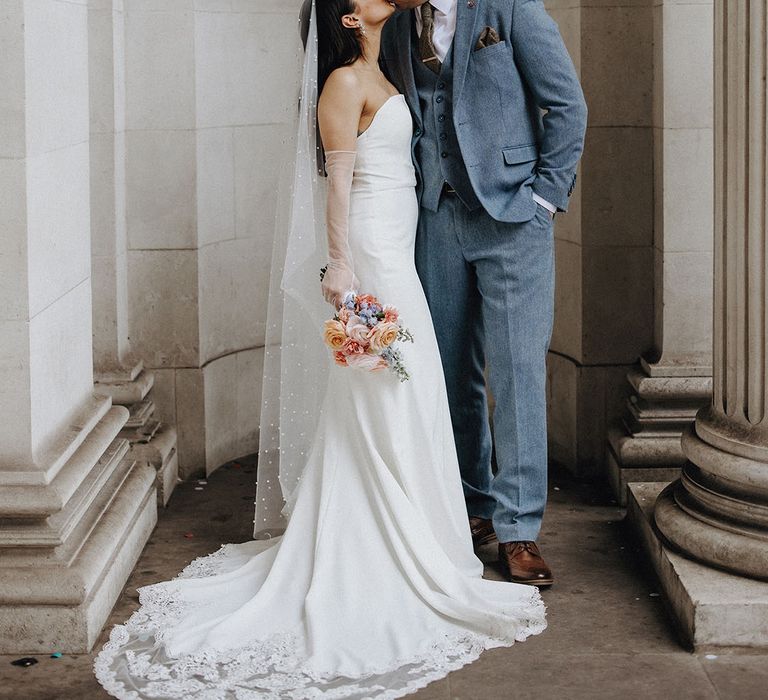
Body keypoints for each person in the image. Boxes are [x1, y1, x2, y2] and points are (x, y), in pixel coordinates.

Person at [93, 1, 546, 698]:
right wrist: (341, 268)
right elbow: (338, 184)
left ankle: (425, 530)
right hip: (374, 250)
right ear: (345, 17)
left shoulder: (387, 64)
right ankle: (382, 542)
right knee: (386, 393)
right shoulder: (341, 83)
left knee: (412, 390)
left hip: (405, 242)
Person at [381, 0, 588, 585]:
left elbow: (568, 105)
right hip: (434, 217)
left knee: (518, 371)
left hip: (513, 219)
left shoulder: (511, 7)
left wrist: (544, 198)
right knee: (448, 370)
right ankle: (472, 508)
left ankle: (519, 529)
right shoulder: (397, 21)